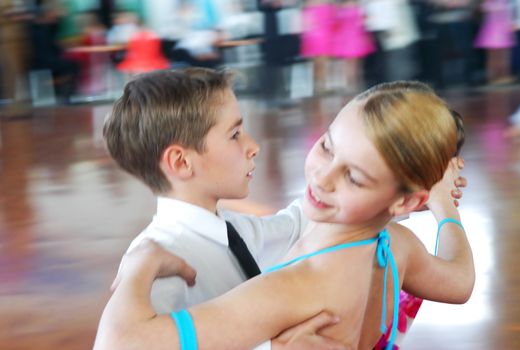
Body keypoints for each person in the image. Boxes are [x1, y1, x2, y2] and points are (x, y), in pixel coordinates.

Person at [94, 80, 475, 350]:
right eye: (326, 147)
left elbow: (119, 343)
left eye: (354, 177)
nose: (322, 178)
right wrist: (444, 207)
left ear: (404, 202)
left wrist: (139, 268)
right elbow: (459, 281)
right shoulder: (398, 246)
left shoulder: (292, 288)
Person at [101, 67, 353, 350]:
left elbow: (297, 224)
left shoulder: (234, 229)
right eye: (234, 135)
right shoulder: (160, 269)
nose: (253, 146)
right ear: (181, 162)